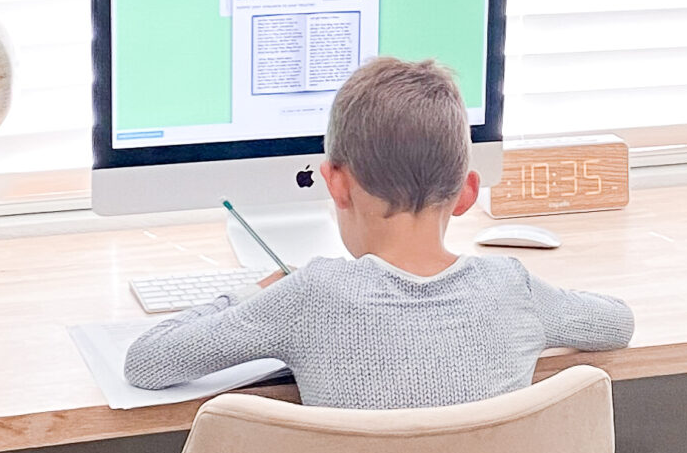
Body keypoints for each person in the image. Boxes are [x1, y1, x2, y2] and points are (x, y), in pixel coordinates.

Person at [123, 54, 635, 402]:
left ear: (337, 185)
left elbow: (146, 363)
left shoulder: (310, 295)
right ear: (467, 193)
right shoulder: (513, 288)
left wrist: (253, 292)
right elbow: (617, 323)